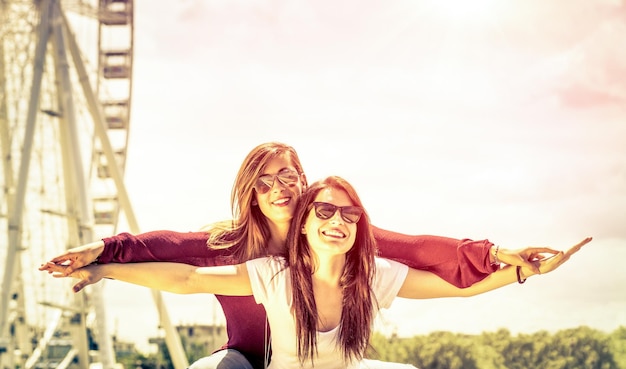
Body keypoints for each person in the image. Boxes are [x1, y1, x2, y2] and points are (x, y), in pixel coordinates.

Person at [43, 142, 556, 369]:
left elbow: (422, 250)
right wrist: (103, 256)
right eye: (265, 182)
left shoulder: (338, 234)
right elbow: (173, 261)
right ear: (252, 193)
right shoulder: (229, 247)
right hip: (247, 359)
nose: (280, 188)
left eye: (289, 176)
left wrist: (501, 258)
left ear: (304, 182)